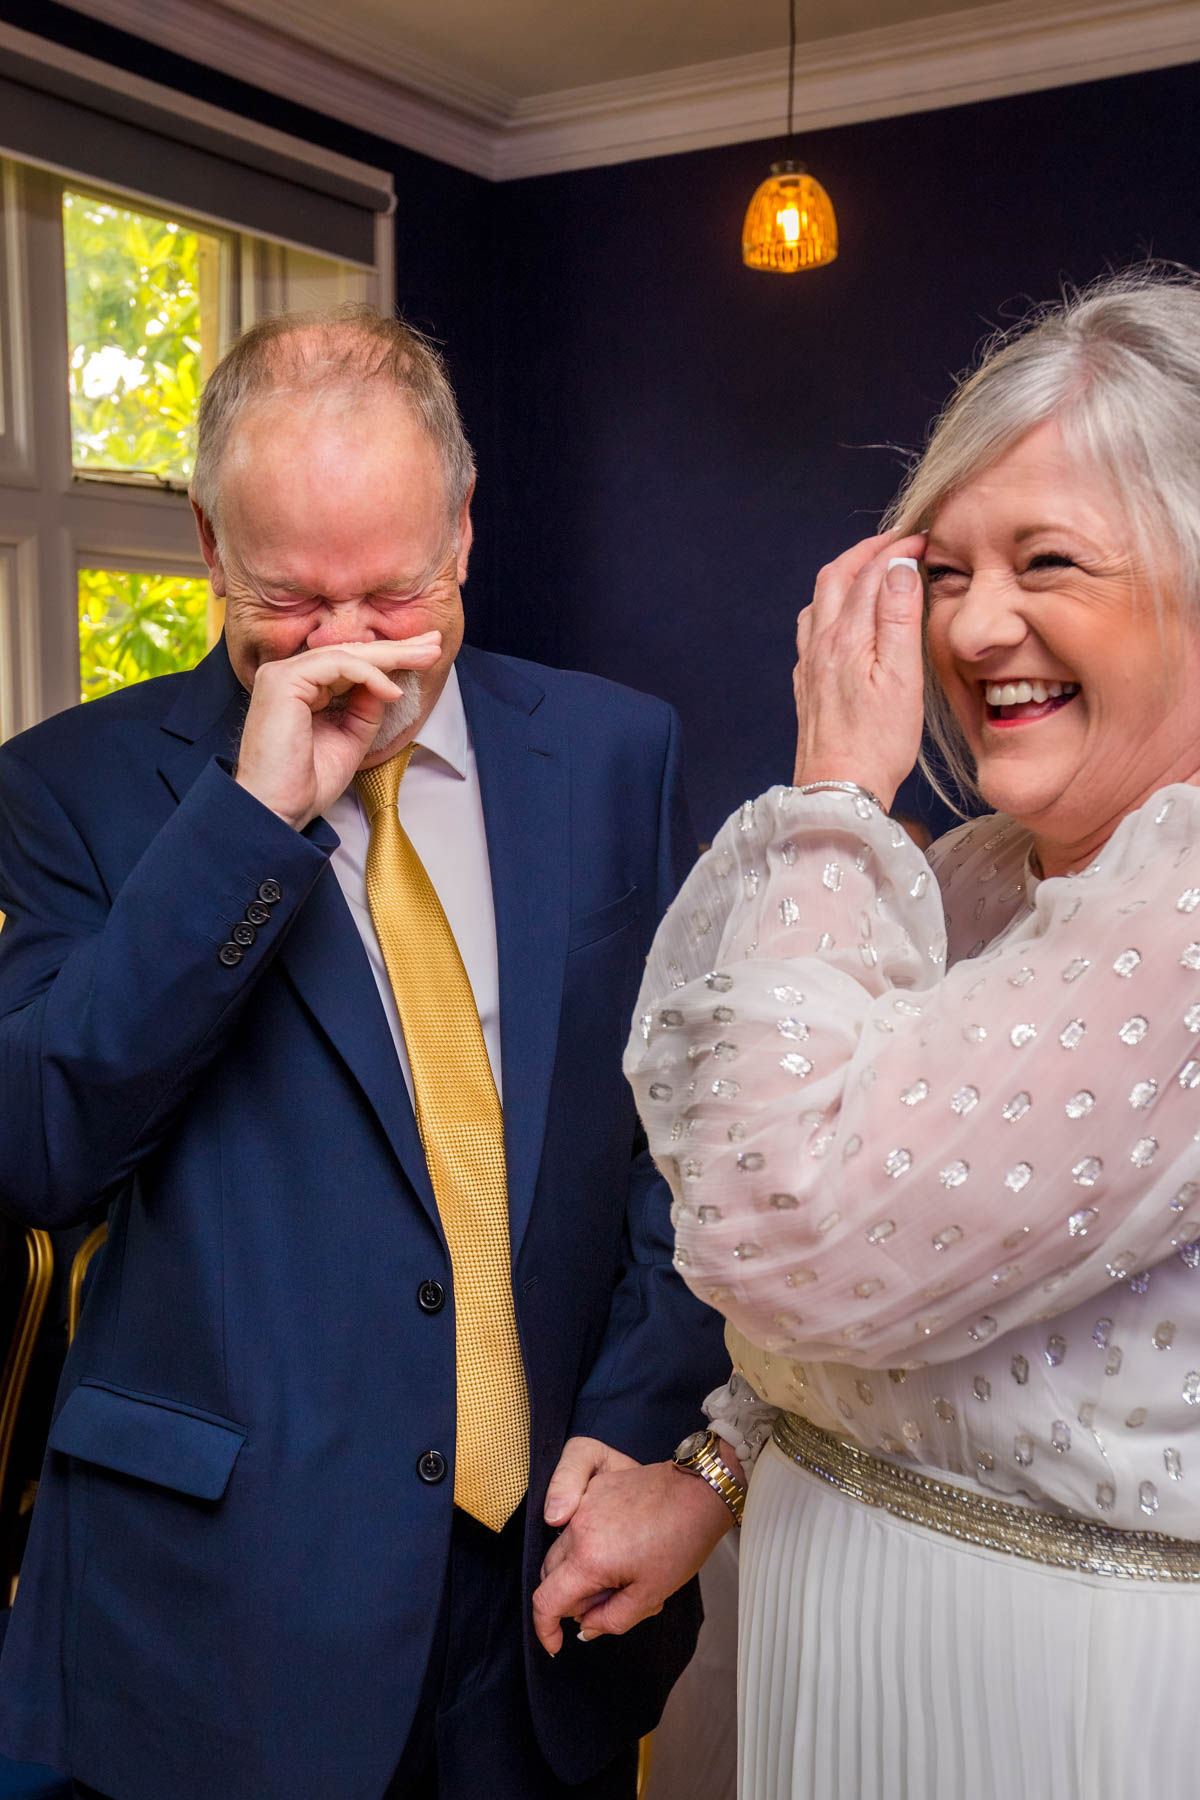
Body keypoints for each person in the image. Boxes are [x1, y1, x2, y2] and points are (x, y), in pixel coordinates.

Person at [0, 305, 728, 1800]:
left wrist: (646, 1428)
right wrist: (248, 825)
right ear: (210, 543)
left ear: (462, 526)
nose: (351, 652)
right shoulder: (66, 791)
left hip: (545, 1588)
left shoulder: (613, 753)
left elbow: (685, 1135)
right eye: (290, 601)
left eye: (396, 593)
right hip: (224, 1614)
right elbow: (42, 1149)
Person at [534, 268, 1200, 1799]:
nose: (975, 625)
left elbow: (778, 1222)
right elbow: (862, 1316)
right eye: (944, 572)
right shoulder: (972, 879)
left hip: (1056, 1701)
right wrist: (713, 1474)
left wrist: (837, 787)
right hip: (830, 1620)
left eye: (1048, 561)